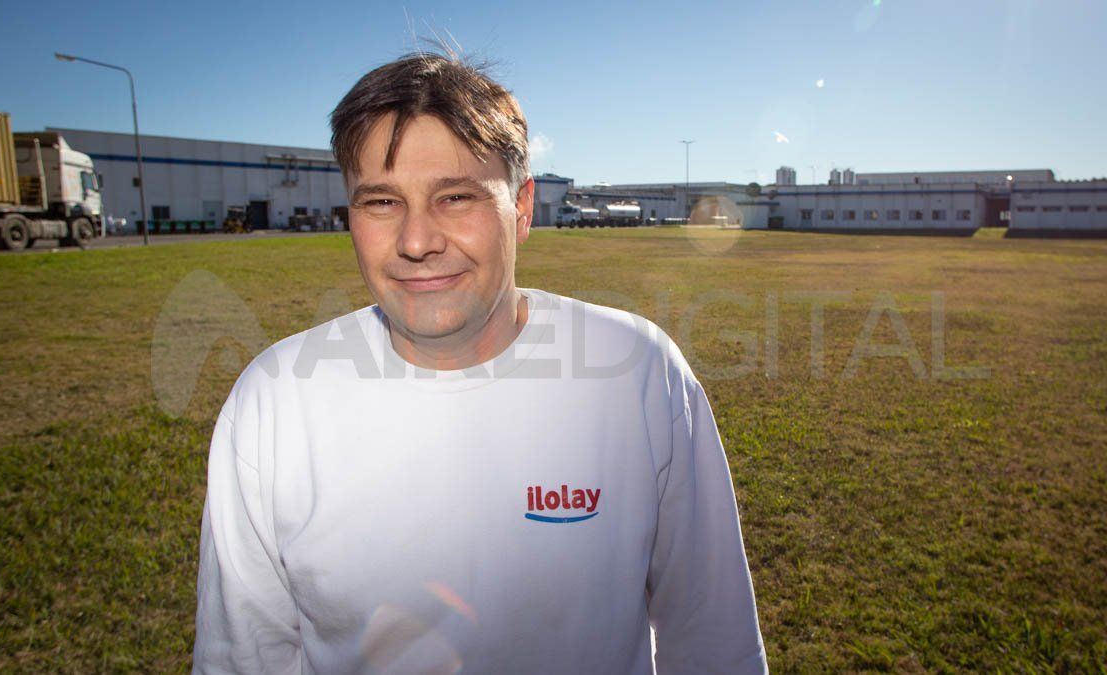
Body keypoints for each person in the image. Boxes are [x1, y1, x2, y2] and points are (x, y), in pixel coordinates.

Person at [193, 50, 766, 674]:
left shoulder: (638, 374)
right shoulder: (275, 402)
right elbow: (242, 659)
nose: (416, 242)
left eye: (456, 197)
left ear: (521, 209)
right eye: (381, 202)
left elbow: (713, 641)